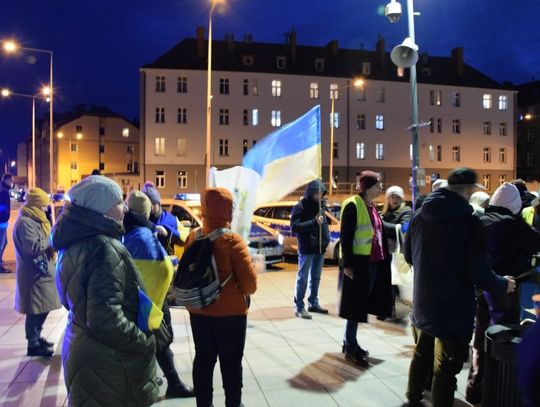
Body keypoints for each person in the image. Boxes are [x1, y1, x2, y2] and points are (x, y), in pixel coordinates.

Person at [403, 167, 516, 407]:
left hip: (423, 301)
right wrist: (503, 284)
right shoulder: (469, 223)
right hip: (453, 309)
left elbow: (409, 256)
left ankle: (413, 400)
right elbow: (480, 273)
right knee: (445, 369)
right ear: (467, 190)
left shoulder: (419, 215)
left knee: (422, 355)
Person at [52, 176, 159, 406]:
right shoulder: (103, 247)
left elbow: (70, 299)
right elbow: (105, 318)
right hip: (108, 363)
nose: (125, 207)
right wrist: (144, 340)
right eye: (119, 201)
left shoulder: (72, 243)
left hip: (83, 351)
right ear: (101, 207)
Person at [466, 183, 540, 403]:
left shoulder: (480, 221)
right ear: (514, 205)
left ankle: (475, 388)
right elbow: (536, 241)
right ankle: (500, 391)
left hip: (481, 287)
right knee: (502, 337)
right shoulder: (512, 225)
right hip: (504, 288)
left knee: (480, 338)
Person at [186, 187, 257, 407]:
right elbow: (250, 285)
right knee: (231, 363)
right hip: (231, 316)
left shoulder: (193, 236)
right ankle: (233, 403)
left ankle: (204, 403)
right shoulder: (232, 241)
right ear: (227, 210)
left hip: (199, 312)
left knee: (203, 360)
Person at [123, 191, 194, 399]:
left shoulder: (131, 231)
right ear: (146, 211)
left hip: (147, 298)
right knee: (159, 341)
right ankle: (173, 384)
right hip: (149, 300)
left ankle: (160, 379)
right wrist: (171, 263)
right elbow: (155, 265)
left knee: (157, 342)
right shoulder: (142, 235)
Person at [338, 171, 393, 367]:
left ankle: (350, 342)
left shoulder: (372, 206)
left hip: (374, 262)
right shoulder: (354, 204)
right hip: (360, 264)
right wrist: (348, 265)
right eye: (378, 184)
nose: (381, 188)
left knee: (360, 306)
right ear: (368, 187)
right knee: (355, 307)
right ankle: (350, 345)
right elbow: (345, 237)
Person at [13, 188, 61, 357]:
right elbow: (32, 247)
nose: (46, 208)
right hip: (33, 274)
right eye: (44, 205)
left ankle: (37, 336)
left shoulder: (36, 219)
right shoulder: (26, 222)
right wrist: (51, 239)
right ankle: (32, 343)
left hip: (41, 272)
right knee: (35, 309)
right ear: (36, 204)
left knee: (44, 306)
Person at [290, 179, 330, 319]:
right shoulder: (300, 207)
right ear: (311, 193)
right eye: (318, 193)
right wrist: (313, 222)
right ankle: (299, 306)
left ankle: (313, 302)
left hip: (320, 247)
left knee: (316, 277)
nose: (320, 196)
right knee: (303, 277)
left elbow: (324, 225)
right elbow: (295, 227)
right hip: (307, 248)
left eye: (322, 193)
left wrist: (326, 239)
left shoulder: (321, 207)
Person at [381, 185, 412, 321]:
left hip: (398, 253)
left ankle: (392, 311)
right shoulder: (384, 213)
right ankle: (387, 309)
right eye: (392, 197)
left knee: (395, 282)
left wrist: (381, 223)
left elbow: (401, 229)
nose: (394, 200)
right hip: (385, 252)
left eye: (397, 197)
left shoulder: (406, 212)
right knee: (388, 282)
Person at [142, 181, 189, 256]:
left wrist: (168, 233)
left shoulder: (171, 220)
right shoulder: (141, 220)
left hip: (168, 263)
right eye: (148, 204)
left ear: (159, 203)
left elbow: (185, 239)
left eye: (153, 203)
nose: (151, 207)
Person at [0, 173, 13, 273]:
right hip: (1, 222)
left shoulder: (3, 190)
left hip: (3, 222)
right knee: (1, 244)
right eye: (11, 181)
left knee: (4, 243)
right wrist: (4, 215)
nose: (12, 183)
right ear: (6, 180)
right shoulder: (3, 191)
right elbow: (2, 206)